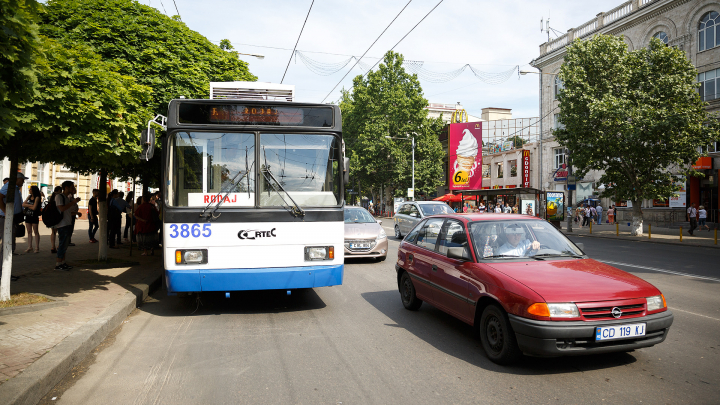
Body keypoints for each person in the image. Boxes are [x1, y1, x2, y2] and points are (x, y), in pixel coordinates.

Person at [0, 173, 29, 281]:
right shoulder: (9, 186)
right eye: (22, 180)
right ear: (16, 179)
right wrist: (7, 213)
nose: (23, 182)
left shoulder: (16, 188)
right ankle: (4, 273)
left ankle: (4, 272)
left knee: (8, 246)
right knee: (8, 246)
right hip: (5, 219)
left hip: (11, 219)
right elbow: (0, 197)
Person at [54, 181, 81, 271]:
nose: (73, 189)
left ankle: (63, 262)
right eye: (71, 187)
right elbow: (62, 208)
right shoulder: (59, 196)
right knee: (62, 244)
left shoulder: (66, 197)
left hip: (67, 223)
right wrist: (73, 202)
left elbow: (67, 211)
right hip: (62, 224)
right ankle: (58, 264)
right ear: (66, 188)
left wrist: (76, 213)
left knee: (65, 245)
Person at [22, 185, 42, 253]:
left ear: (33, 190)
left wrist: (28, 205)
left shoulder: (37, 197)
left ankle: (37, 247)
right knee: (29, 232)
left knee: (36, 232)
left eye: (30, 189)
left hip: (34, 216)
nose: (29, 190)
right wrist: (30, 205)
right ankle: (29, 247)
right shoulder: (29, 196)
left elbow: (34, 208)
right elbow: (23, 204)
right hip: (28, 216)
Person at [49, 186, 62, 253]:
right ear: (59, 190)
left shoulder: (51, 197)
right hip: (57, 216)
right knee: (59, 231)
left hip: (51, 216)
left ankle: (52, 246)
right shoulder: (59, 196)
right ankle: (59, 246)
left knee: (53, 232)